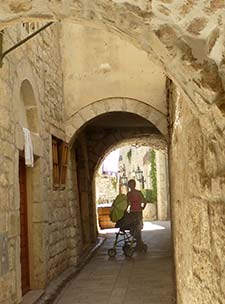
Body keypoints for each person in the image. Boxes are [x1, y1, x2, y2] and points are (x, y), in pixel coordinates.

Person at [127, 179, 147, 249]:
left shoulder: (138, 193)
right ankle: (139, 242)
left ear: (134, 185)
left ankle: (139, 243)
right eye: (130, 185)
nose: (131, 186)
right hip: (132, 212)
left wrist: (142, 208)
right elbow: (127, 203)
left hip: (138, 212)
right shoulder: (128, 194)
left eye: (132, 184)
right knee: (133, 228)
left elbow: (144, 201)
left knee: (138, 227)